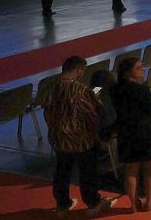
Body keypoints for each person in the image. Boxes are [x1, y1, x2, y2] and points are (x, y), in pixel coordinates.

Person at [40, 56, 114, 218]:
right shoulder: (79, 90)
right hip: (82, 140)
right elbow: (94, 109)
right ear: (78, 70)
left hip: (60, 139)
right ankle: (92, 203)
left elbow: (46, 113)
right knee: (88, 173)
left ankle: (62, 205)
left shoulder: (50, 89)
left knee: (62, 173)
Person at [111, 58, 151, 212]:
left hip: (126, 133)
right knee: (150, 169)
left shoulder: (114, 89)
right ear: (128, 72)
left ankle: (133, 205)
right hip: (145, 133)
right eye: (138, 68)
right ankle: (149, 202)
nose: (142, 70)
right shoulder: (142, 90)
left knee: (130, 170)